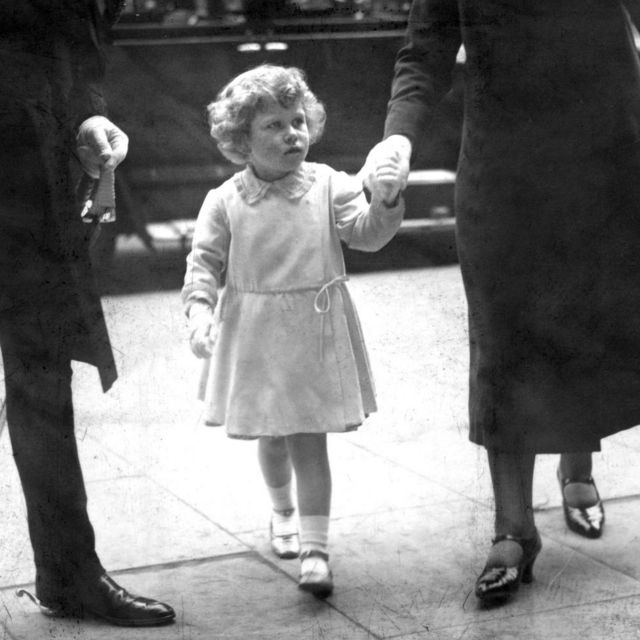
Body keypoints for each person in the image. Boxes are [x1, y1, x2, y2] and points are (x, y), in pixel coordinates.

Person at [361, 0, 640, 607]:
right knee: (503, 331)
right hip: (504, 161)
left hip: (609, 154)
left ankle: (577, 464)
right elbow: (425, 46)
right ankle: (514, 530)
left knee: (590, 319)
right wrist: (398, 137)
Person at [181, 64, 404, 598]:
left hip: (315, 331)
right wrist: (199, 313)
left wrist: (387, 199)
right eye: (274, 126)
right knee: (273, 436)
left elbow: (367, 235)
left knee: (309, 440)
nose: (292, 134)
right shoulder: (226, 200)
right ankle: (281, 512)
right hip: (255, 335)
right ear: (241, 141)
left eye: (298, 121)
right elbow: (204, 264)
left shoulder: (330, 185)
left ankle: (316, 549)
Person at [0, 1, 175, 627]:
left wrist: (87, 116)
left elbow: (75, 43)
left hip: (27, 165)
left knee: (41, 373)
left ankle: (68, 572)